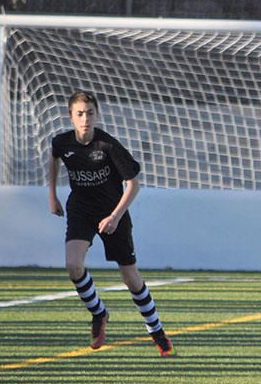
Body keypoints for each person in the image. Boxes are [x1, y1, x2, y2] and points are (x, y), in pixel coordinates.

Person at [48, 90, 175, 357]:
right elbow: (54, 160)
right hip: (81, 209)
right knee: (73, 265)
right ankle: (99, 313)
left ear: (97, 115)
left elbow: (133, 184)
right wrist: (52, 195)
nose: (85, 119)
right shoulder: (62, 142)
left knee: (131, 278)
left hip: (112, 211)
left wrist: (115, 216)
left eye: (90, 113)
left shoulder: (107, 145)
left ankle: (157, 330)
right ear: (71, 117)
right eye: (80, 114)